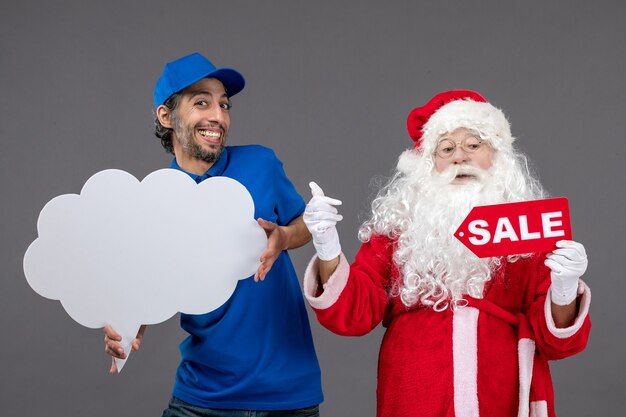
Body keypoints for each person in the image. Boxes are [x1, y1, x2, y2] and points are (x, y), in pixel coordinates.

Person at [302, 90, 591, 417]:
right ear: (429, 164)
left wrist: (564, 287)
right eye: (447, 148)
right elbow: (354, 316)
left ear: (497, 156)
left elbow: (557, 344)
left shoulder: (526, 233)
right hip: (414, 395)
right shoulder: (399, 230)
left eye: (473, 145)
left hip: (501, 395)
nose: (460, 157)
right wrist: (327, 245)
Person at [103, 52, 323, 417]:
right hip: (203, 398)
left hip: (288, 395)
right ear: (166, 116)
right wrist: (127, 326)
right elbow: (149, 283)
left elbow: (306, 224)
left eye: (224, 105)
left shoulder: (261, 163)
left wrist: (283, 236)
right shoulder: (155, 200)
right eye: (201, 102)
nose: (218, 117)